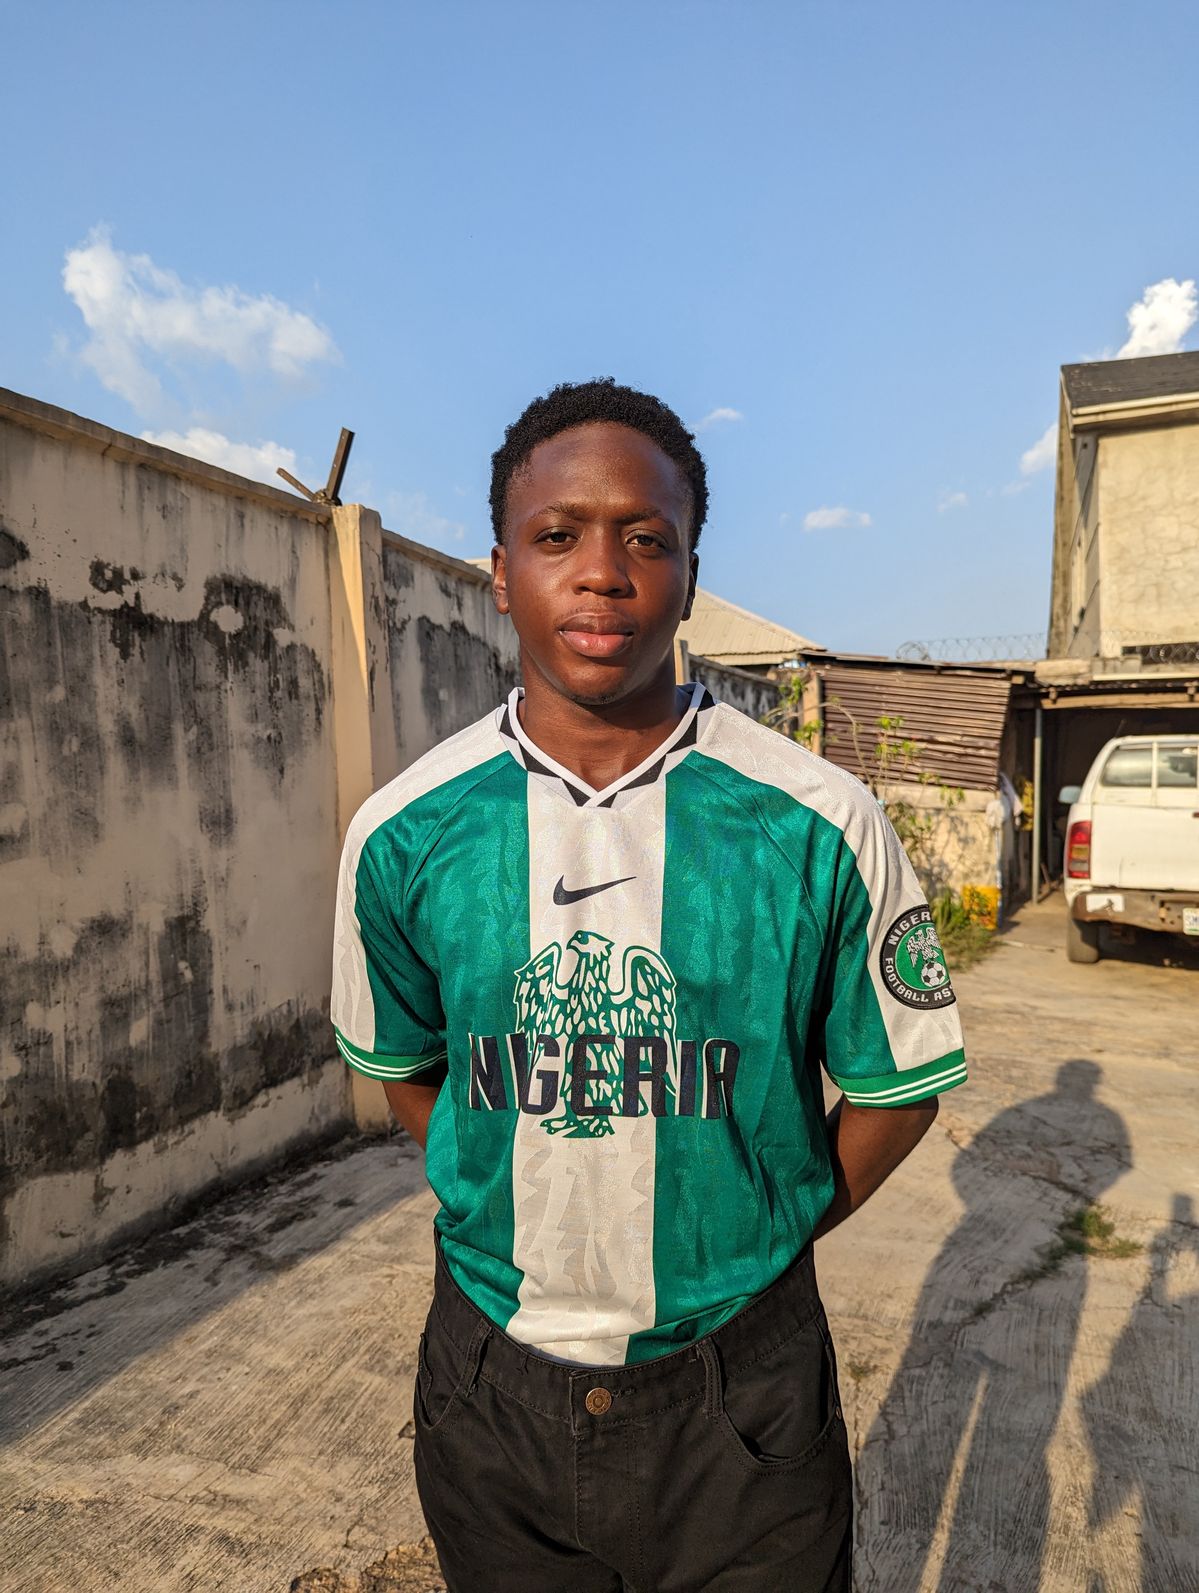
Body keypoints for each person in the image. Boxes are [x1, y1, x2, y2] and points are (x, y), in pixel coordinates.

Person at [330, 378, 967, 1592]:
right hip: (488, 1382)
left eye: (645, 538)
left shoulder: (816, 820)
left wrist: (765, 1223)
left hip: (744, 1387)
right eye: (557, 535)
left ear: (684, 567)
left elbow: (899, 1087)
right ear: (499, 568)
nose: (602, 572)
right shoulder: (404, 831)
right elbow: (409, 1075)